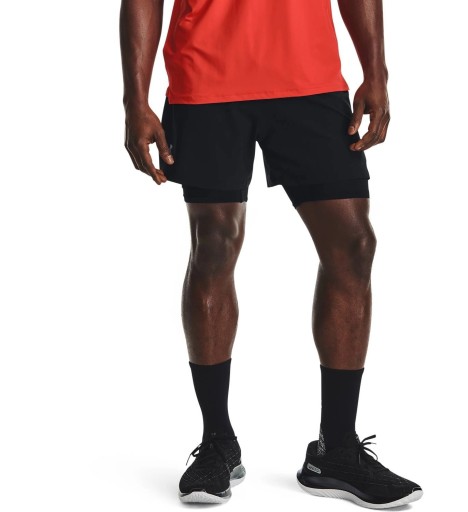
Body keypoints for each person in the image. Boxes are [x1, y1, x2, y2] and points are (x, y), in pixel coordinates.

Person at [120, 0, 423, 508]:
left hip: (310, 75)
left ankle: (337, 450)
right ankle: (217, 443)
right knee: (214, 245)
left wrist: (376, 71)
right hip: (207, 74)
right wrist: (136, 99)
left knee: (353, 245)